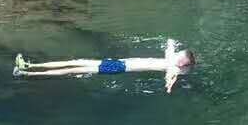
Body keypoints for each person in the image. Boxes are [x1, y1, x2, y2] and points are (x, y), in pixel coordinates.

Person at [14, 40, 196, 93]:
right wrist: (172, 42)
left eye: (181, 55)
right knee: (75, 62)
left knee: (73, 69)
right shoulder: (172, 59)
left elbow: (169, 80)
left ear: (182, 62)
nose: (178, 54)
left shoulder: (174, 68)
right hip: (118, 63)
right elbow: (170, 45)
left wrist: (170, 85)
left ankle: (25, 73)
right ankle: (30, 64)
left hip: (118, 68)